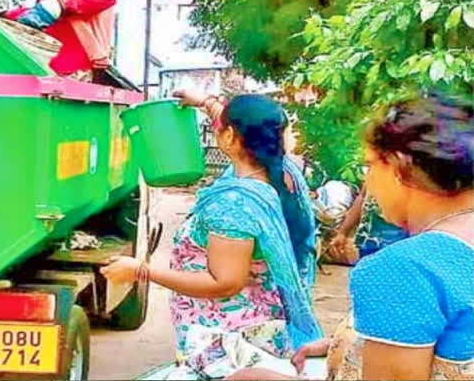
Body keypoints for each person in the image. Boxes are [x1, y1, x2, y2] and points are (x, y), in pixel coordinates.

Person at [229, 93, 474, 381]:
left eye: (369, 165)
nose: (367, 179)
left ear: (397, 166)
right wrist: (346, 345)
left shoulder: (404, 269)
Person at [102, 92, 323, 378]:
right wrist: (205, 103)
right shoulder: (284, 174)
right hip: (265, 326)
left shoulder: (233, 204)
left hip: (231, 345)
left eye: (221, 128)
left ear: (230, 136)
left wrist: (141, 271)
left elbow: (225, 283)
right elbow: (246, 126)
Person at [328, 183, 408, 261]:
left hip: (397, 243)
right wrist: (342, 233)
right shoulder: (375, 173)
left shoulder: (409, 176)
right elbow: (362, 198)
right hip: (368, 244)